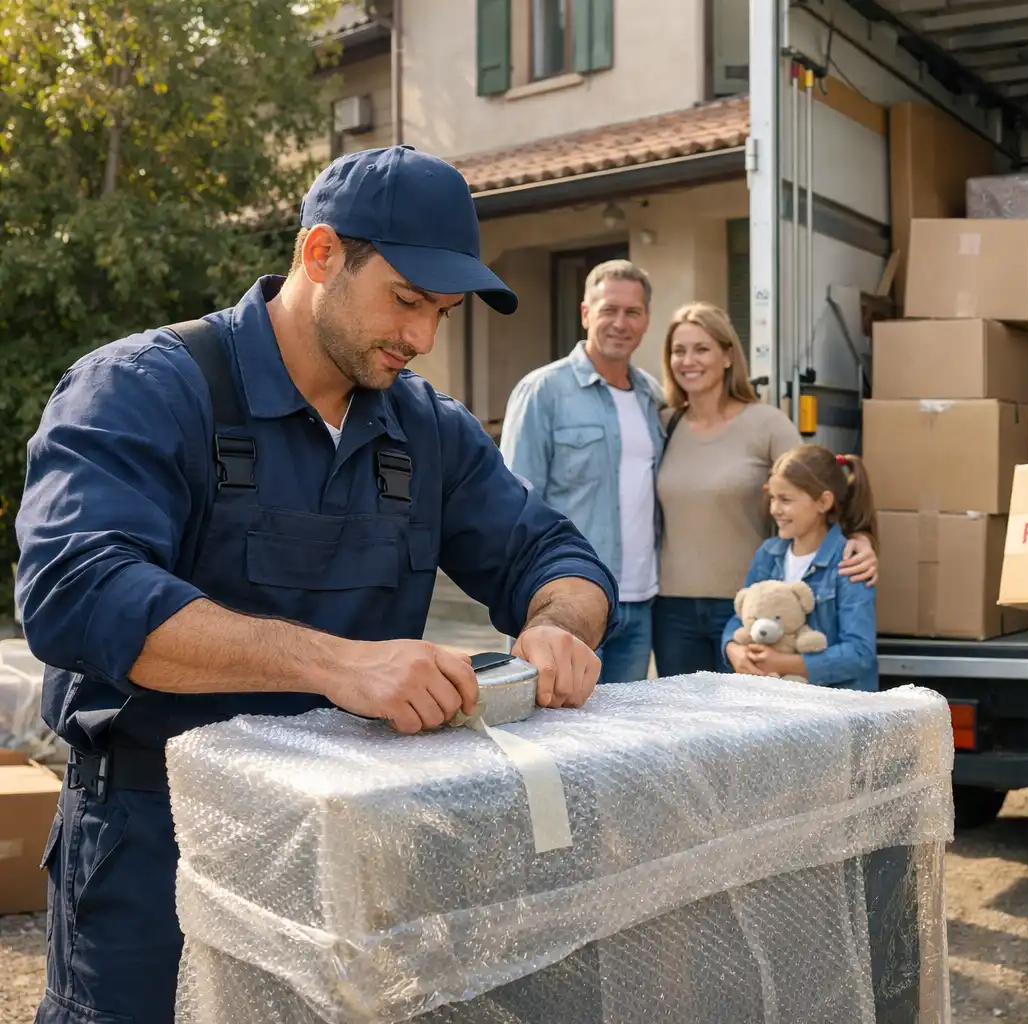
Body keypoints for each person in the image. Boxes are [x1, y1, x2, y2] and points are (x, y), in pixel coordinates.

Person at [14, 145, 617, 1024]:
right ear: (321, 254)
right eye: (407, 301)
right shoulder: (145, 388)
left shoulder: (428, 430)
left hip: (354, 845)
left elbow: (557, 554)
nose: (421, 339)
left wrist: (562, 624)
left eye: (442, 313)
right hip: (157, 847)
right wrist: (338, 665)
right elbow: (75, 591)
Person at [653, 302, 877, 676]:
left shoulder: (766, 423)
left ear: (728, 355)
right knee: (686, 728)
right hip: (671, 611)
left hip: (751, 606)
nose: (688, 360)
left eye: (702, 348)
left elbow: (818, 485)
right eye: (679, 350)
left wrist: (862, 537)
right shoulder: (663, 424)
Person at [500, 260, 664, 686]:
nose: (620, 323)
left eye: (633, 312)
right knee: (555, 737)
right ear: (586, 313)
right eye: (609, 309)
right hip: (566, 605)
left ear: (646, 319)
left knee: (623, 741)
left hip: (640, 602)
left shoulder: (652, 396)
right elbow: (513, 507)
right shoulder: (543, 391)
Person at [722, 445, 878, 691]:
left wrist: (785, 664)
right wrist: (733, 649)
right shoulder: (768, 554)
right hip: (776, 704)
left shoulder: (850, 561)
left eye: (785, 500)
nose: (775, 509)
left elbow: (859, 653)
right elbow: (740, 616)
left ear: (823, 502)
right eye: (772, 498)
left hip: (835, 708)